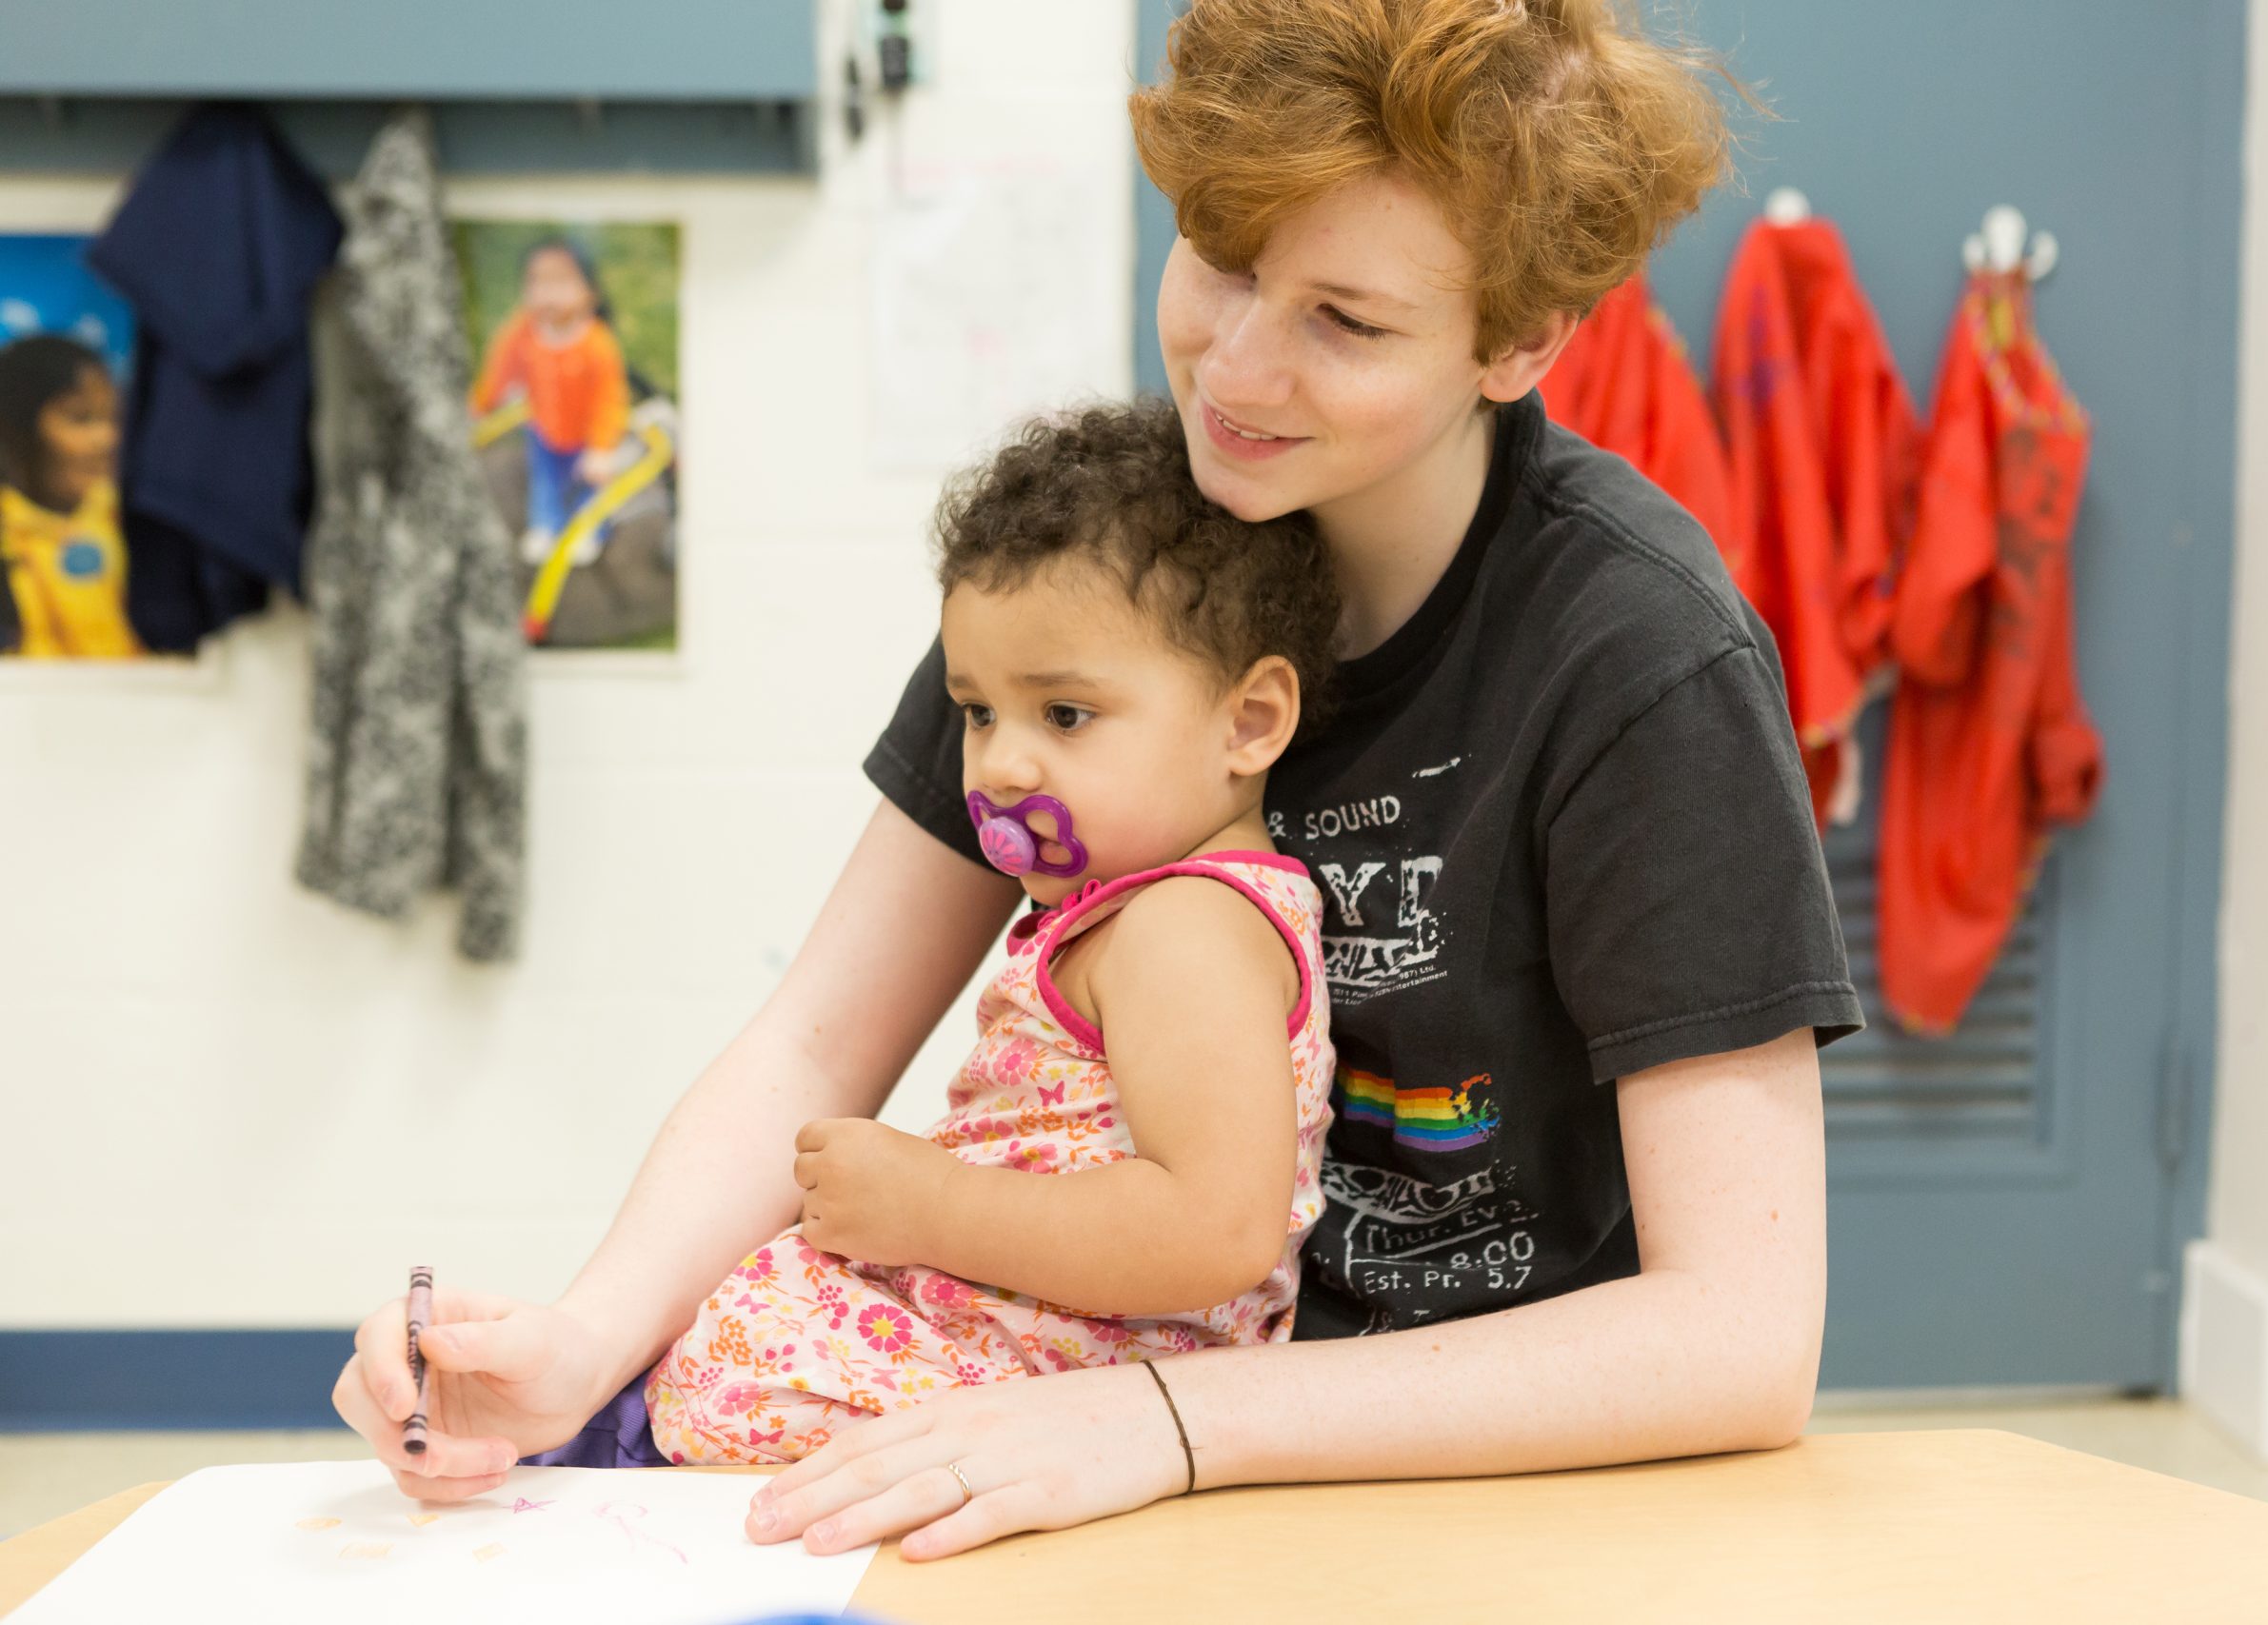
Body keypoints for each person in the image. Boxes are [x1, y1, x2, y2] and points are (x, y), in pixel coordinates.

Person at [334, 0, 1859, 1563]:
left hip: (1460, 1486)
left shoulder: (1637, 658)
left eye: (1347, 321)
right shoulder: (1115, 563)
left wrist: (1171, 1424)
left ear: (1521, 340)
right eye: (1220, 258)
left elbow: (1741, 1334)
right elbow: (816, 1036)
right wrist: (580, 1343)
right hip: (1101, 1421)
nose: (1240, 369)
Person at [647, 398, 1340, 1465]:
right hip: (1047, 1329)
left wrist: (930, 1205)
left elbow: (1217, 1229)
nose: (1002, 765)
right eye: (977, 712)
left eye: (1064, 716)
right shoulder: (1123, 907)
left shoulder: (1187, 928)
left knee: (737, 1366)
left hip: (1110, 1374)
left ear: (1248, 723)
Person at [467, 237, 632, 565]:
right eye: (537, 282)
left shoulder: (596, 343)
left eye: (560, 282)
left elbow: (609, 399)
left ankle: (589, 530)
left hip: (585, 436)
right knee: (545, 483)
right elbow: (500, 370)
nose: (547, 293)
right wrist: (480, 405)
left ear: (589, 292)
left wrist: (602, 447)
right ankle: (545, 525)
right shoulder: (523, 331)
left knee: (586, 487)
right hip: (543, 428)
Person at [0, 333, 141, 660]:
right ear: (18, 429)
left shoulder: (134, 523)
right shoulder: (9, 532)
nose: (107, 438)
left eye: (115, 419)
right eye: (81, 418)